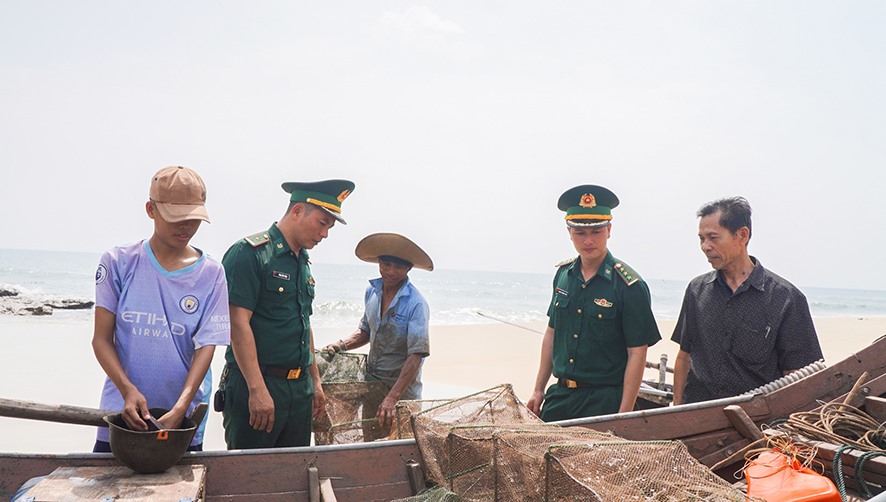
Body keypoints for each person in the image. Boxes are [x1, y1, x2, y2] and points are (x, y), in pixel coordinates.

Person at [91, 166, 230, 452]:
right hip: (120, 417)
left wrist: (181, 407)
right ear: (150, 210)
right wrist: (128, 391)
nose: (186, 227)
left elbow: (206, 347)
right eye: (176, 218)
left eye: (193, 219)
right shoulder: (119, 262)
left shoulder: (212, 273)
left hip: (182, 425)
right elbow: (101, 339)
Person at [220, 179, 355, 449]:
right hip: (257, 385)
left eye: (329, 227)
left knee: (294, 477)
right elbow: (237, 325)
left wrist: (315, 382)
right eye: (321, 222)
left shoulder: (302, 262)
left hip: (298, 390)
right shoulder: (251, 254)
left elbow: (304, 324)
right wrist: (257, 390)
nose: (325, 234)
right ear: (296, 212)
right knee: (251, 479)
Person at [671, 197, 823, 405]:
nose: (705, 247)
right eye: (701, 239)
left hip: (758, 424)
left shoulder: (786, 298)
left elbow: (799, 375)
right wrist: (677, 410)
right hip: (698, 418)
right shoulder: (697, 291)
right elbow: (684, 356)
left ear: (742, 235)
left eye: (713, 237)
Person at [527, 185, 661, 421]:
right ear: (569, 232)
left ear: (609, 230)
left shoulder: (629, 285)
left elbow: (637, 353)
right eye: (580, 233)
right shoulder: (563, 276)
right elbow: (552, 332)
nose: (588, 240)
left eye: (596, 232)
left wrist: (624, 415)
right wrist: (539, 389)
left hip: (604, 402)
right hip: (560, 397)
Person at [323, 233, 432, 429]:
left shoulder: (416, 304)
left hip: (403, 392)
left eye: (398, 267)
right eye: (386, 264)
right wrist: (341, 345)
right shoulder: (371, 292)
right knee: (371, 439)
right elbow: (365, 331)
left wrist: (393, 397)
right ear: (379, 262)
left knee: (401, 447)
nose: (390, 271)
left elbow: (416, 355)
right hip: (372, 384)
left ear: (409, 268)